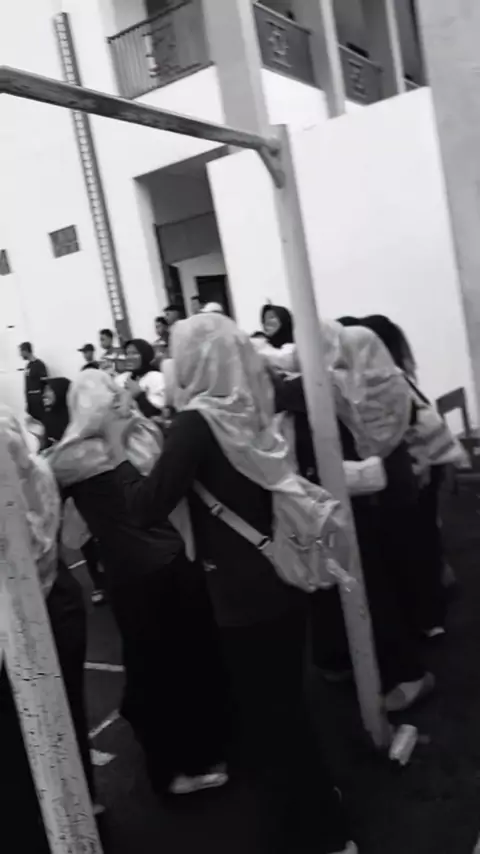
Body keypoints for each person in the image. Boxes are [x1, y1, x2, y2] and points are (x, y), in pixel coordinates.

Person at [106, 314, 357, 854]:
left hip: (242, 593)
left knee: (270, 720)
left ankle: (319, 831)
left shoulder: (198, 423)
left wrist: (120, 450)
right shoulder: (250, 405)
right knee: (288, 705)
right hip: (282, 569)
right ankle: (320, 809)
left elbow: (146, 506)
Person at [47, 370, 229, 796]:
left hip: (135, 574)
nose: (121, 397)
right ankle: (174, 766)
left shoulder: (71, 457)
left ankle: (169, 756)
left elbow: (56, 518)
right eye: (112, 394)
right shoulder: (134, 440)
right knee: (173, 666)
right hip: (163, 568)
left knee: (156, 664)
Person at [0, 408, 96, 837]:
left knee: (19, 736)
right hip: (59, 601)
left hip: (23, 620)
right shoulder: (39, 472)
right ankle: (80, 804)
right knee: (65, 712)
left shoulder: (16, 490)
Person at [43, 377, 106, 605]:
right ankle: (99, 581)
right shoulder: (49, 420)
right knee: (83, 536)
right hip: (70, 492)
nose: (45, 395)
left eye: (49, 391)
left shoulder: (79, 425)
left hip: (87, 486)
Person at [117, 339, 166, 420]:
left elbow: (159, 414)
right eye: (127, 353)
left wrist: (139, 395)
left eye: (134, 353)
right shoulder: (122, 378)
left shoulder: (157, 378)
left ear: (145, 355)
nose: (129, 357)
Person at [19, 341, 48, 423]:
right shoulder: (28, 366)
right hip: (30, 401)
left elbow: (45, 383)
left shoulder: (39, 365)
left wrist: (43, 400)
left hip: (38, 401)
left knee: (40, 423)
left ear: (26, 351)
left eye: (21, 352)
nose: (20, 355)